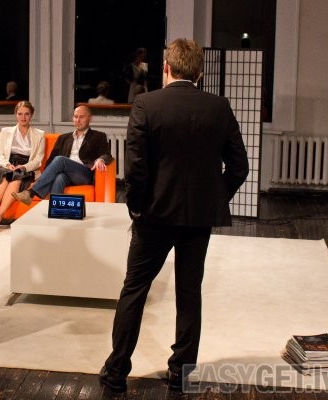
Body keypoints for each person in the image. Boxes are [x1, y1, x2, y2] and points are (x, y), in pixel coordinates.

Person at [99, 38, 249, 393]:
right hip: (198, 217)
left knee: (135, 289)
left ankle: (116, 371)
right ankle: (181, 372)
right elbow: (240, 166)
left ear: (166, 68)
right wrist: (214, 198)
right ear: (200, 72)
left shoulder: (146, 104)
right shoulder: (219, 107)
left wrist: (137, 206)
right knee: (189, 291)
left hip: (154, 214)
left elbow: (137, 168)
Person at [11, 105, 112, 205]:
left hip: (84, 174)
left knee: (60, 160)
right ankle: (55, 210)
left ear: (90, 118)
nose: (78, 120)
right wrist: (46, 175)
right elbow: (51, 160)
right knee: (59, 177)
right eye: (75, 117)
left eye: (81, 117)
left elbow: (107, 154)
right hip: (66, 174)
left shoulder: (98, 136)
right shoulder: (63, 138)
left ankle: (31, 193)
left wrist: (101, 159)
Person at [0, 101, 45, 234]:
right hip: (7, 164)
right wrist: (7, 165)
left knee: (17, 178)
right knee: (4, 177)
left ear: (31, 115)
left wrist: (24, 167)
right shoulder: (6, 131)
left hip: (26, 167)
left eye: (26, 114)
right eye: (20, 114)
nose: (23, 117)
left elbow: (38, 160)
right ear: (16, 115)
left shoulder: (39, 134)